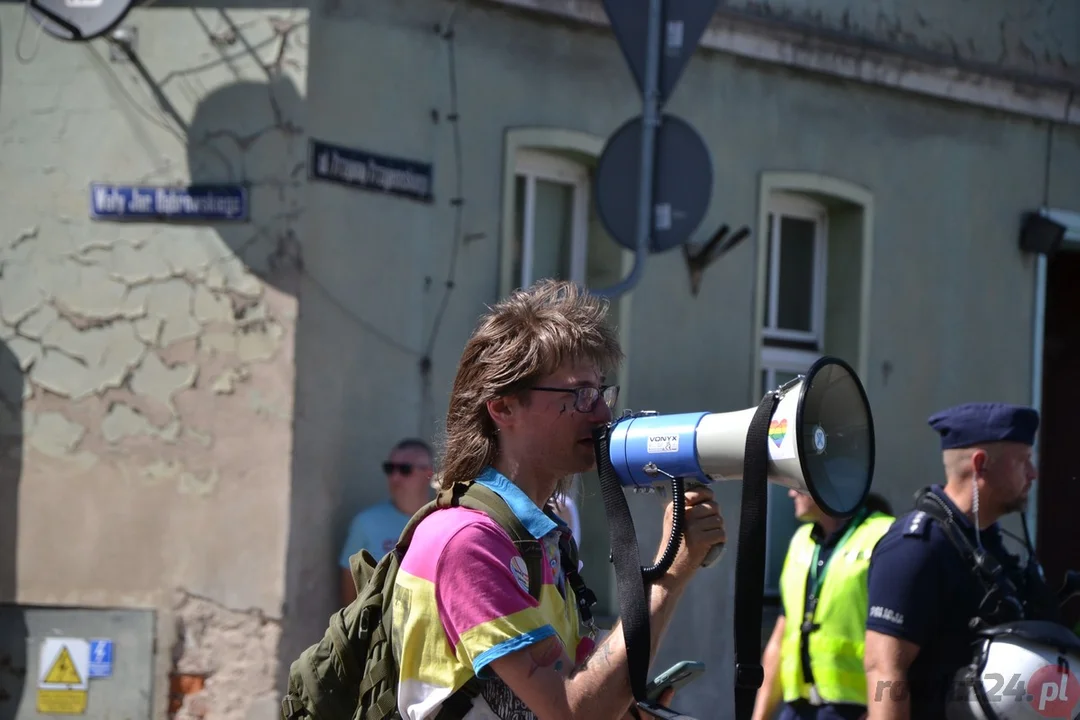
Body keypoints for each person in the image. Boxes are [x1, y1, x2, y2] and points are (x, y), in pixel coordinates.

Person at [389, 279, 727, 720]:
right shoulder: (466, 541)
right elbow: (572, 710)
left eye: (602, 392)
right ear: (504, 408)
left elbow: (580, 690)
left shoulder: (539, 539)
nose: (604, 414)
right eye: (581, 395)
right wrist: (668, 574)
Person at [862, 402, 1061, 720]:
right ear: (980, 464)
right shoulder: (916, 547)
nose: (1033, 473)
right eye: (1023, 460)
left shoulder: (988, 543)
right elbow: (885, 669)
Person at [753, 490, 895, 720]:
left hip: (854, 710)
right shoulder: (801, 540)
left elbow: (904, 644)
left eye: (798, 486)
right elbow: (779, 640)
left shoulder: (886, 535)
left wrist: (880, 712)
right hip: (798, 709)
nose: (790, 493)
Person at [338, 437, 434, 606]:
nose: (395, 477)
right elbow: (349, 587)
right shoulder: (366, 523)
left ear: (428, 474)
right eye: (390, 469)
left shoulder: (444, 520)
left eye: (405, 469)